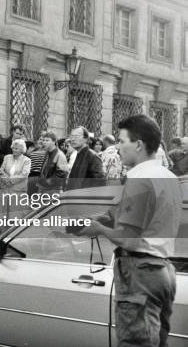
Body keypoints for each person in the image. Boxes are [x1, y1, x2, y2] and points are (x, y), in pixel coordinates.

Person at [79, 114, 181, 347]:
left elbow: (128, 238)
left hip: (139, 273)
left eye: (121, 141)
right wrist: (99, 220)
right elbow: (134, 217)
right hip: (163, 269)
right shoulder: (167, 176)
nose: (117, 147)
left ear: (138, 144)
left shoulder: (140, 179)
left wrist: (98, 228)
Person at [65, 126, 104, 190]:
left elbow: (100, 183)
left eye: (76, 136)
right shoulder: (78, 154)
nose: (73, 139)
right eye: (71, 136)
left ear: (85, 139)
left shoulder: (92, 157)